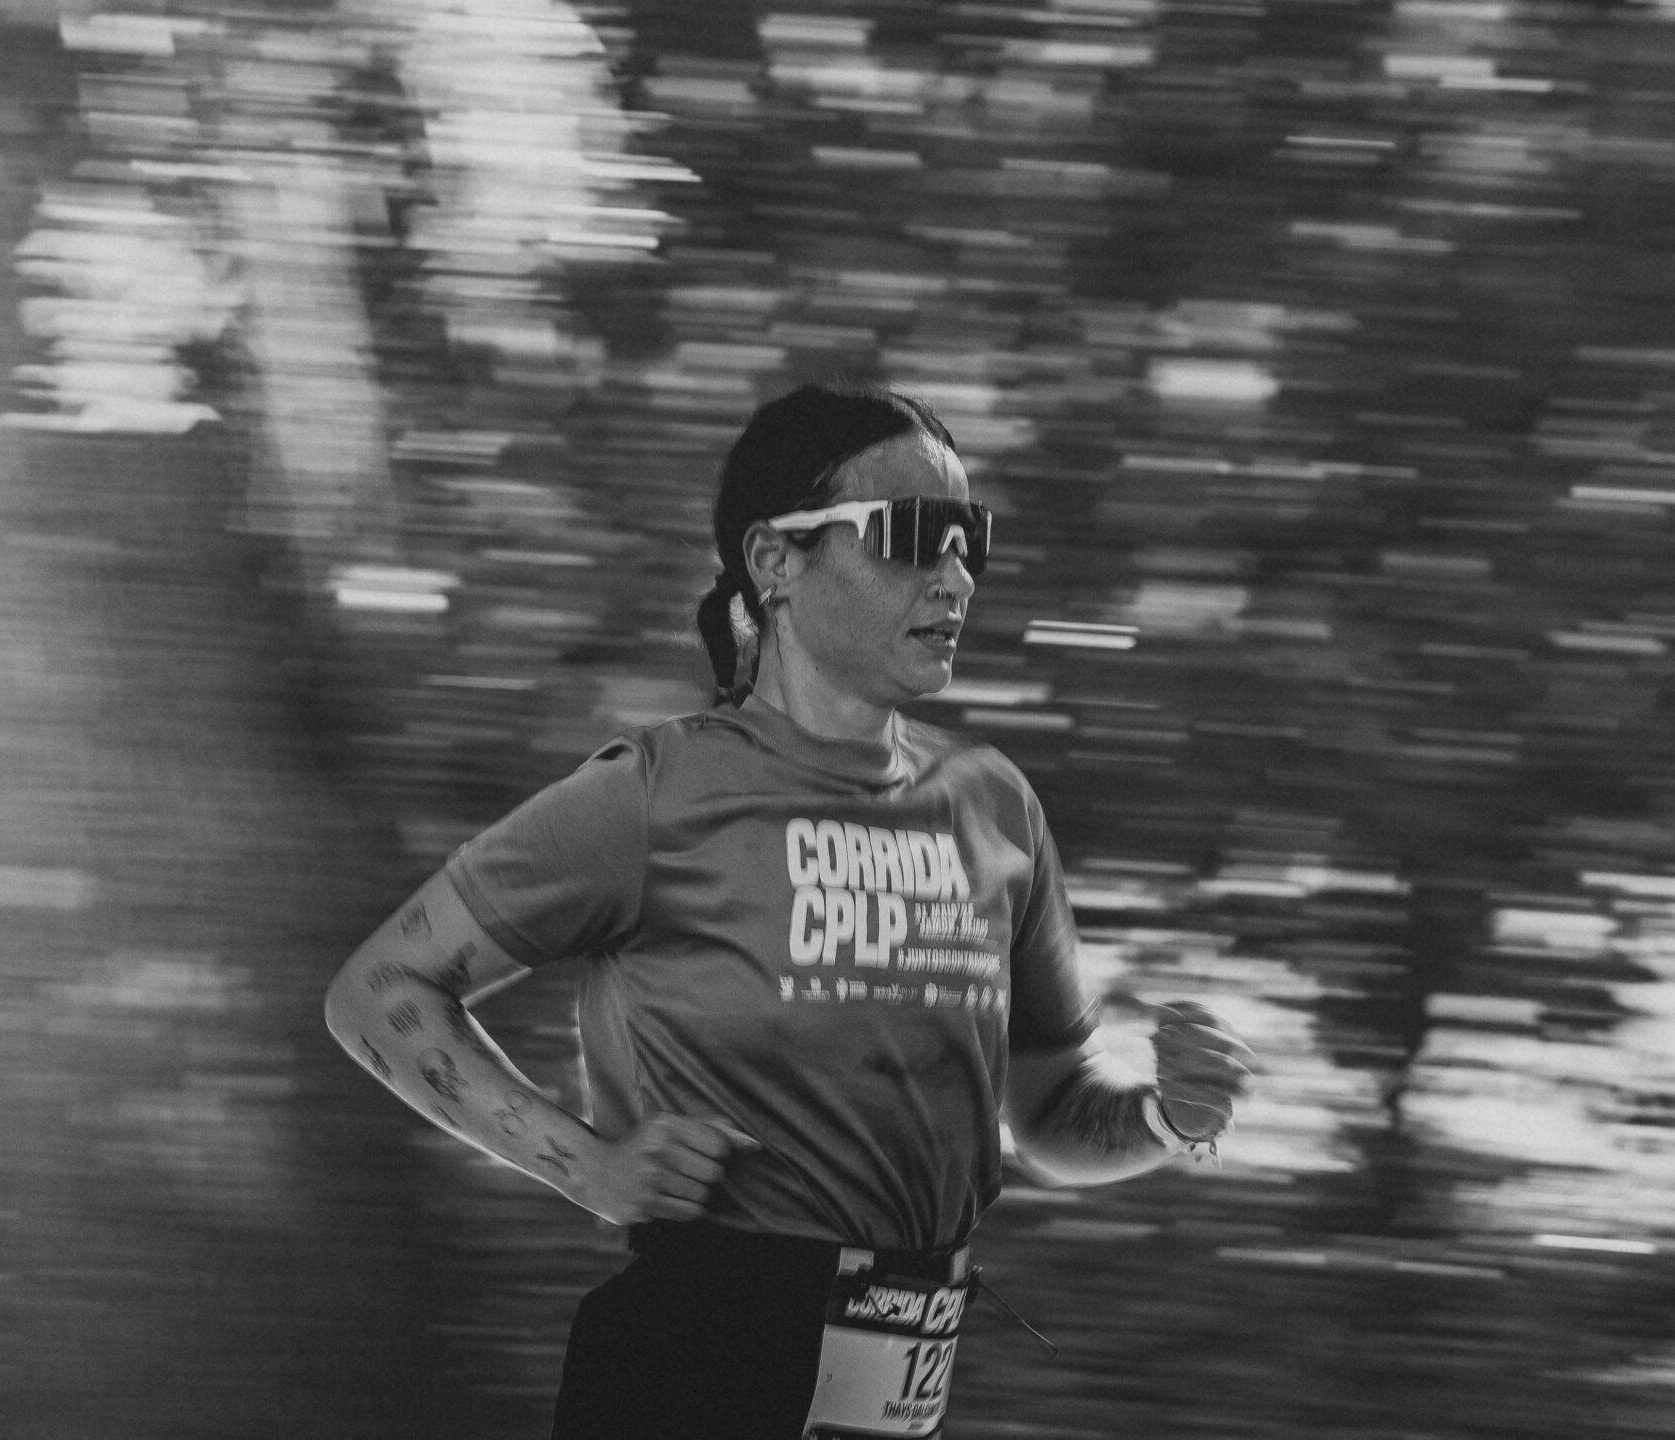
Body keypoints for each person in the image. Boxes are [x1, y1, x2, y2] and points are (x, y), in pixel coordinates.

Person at [323, 383, 1252, 1440]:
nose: (955, 576)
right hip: (688, 1374)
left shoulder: (994, 806)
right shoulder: (655, 794)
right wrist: (588, 1169)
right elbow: (378, 991)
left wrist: (1169, 1118)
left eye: (970, 541)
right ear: (775, 561)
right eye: (913, 535)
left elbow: (1053, 1116)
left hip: (898, 1388)